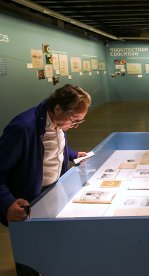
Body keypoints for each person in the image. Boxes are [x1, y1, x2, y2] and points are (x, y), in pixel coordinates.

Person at [0, 84, 91, 275]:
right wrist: (7, 203)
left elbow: (56, 146)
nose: (73, 126)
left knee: (49, 244)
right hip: (28, 201)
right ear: (58, 108)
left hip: (51, 192)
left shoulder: (58, 121)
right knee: (29, 255)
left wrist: (73, 154)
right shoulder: (22, 127)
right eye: (74, 120)